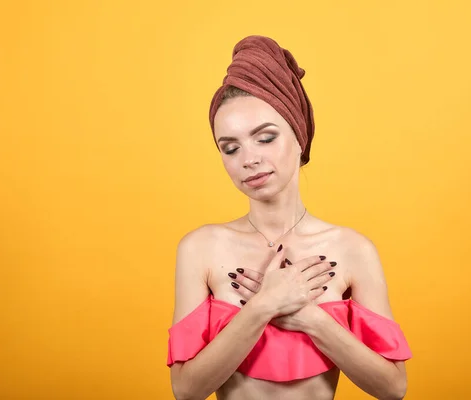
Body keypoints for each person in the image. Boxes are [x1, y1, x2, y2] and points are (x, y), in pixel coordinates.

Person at [167, 35, 412, 400]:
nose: (248, 159)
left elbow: (393, 388)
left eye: (265, 138)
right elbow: (186, 391)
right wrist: (264, 306)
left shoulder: (352, 249)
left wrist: (309, 318)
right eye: (230, 147)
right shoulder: (200, 248)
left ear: (299, 137)